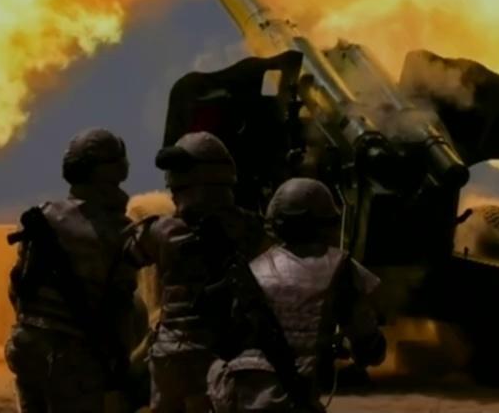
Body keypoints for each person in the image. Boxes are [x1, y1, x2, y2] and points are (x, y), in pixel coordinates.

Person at [205, 177, 387, 413]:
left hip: (241, 399)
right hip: (293, 400)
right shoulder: (341, 269)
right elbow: (370, 349)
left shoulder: (253, 269)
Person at [126, 132, 267, 413]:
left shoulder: (160, 231)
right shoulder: (250, 228)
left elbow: (127, 259)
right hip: (225, 355)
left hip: (170, 354)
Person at [6, 128, 142, 413]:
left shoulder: (42, 216)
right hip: (76, 359)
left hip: (26, 347)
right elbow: (120, 308)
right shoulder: (121, 232)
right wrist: (118, 365)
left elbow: (17, 287)